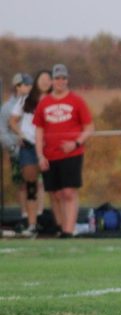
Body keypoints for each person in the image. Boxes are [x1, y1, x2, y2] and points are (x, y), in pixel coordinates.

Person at [34, 64, 94, 237]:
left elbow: (89, 127)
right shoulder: (44, 103)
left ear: (67, 80)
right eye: (57, 78)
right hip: (50, 154)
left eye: (63, 78)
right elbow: (39, 130)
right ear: (52, 81)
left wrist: (75, 143)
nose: (60, 81)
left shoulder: (76, 101)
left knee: (68, 192)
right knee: (55, 193)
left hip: (71, 154)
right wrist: (40, 155)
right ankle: (61, 227)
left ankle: (69, 231)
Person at [11, 80, 45, 236]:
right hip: (30, 147)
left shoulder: (53, 100)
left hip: (50, 147)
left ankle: (60, 225)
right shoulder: (25, 100)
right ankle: (32, 224)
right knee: (30, 184)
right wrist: (21, 134)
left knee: (52, 187)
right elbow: (12, 121)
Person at [2, 73, 32, 228]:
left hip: (33, 151)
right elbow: (2, 131)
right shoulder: (7, 108)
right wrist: (13, 146)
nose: (28, 88)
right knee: (21, 184)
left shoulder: (35, 104)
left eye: (29, 85)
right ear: (17, 87)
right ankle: (25, 216)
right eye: (25, 85)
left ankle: (37, 215)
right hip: (17, 153)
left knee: (36, 184)